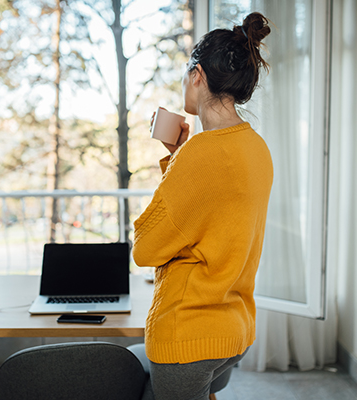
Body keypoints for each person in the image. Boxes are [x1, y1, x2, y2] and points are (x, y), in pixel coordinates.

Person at [132, 11, 274, 400]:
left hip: (188, 334)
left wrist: (179, 160)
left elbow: (146, 249)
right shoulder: (257, 149)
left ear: (197, 75)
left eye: (185, 75)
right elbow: (213, 214)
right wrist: (178, 157)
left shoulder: (197, 155)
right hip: (235, 331)